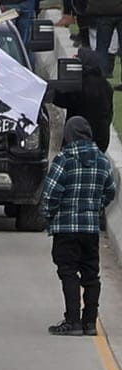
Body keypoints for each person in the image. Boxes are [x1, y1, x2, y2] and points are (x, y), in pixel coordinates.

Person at [42, 115, 118, 336]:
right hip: (90, 229)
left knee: (68, 272)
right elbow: (110, 190)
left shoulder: (64, 159)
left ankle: (72, 321)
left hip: (66, 229)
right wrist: (95, 207)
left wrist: (50, 214)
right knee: (91, 275)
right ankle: (90, 322)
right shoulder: (102, 160)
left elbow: (50, 193)